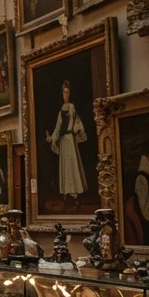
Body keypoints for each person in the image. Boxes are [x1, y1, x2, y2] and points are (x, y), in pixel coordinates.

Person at [46, 80, 88, 210]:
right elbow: (58, 127)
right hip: (63, 141)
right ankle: (66, 194)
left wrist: (75, 130)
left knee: (72, 165)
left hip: (70, 139)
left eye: (67, 92)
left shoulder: (71, 107)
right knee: (65, 166)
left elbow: (76, 121)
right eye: (64, 92)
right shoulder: (60, 111)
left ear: (70, 93)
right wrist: (51, 138)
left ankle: (75, 194)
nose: (66, 95)